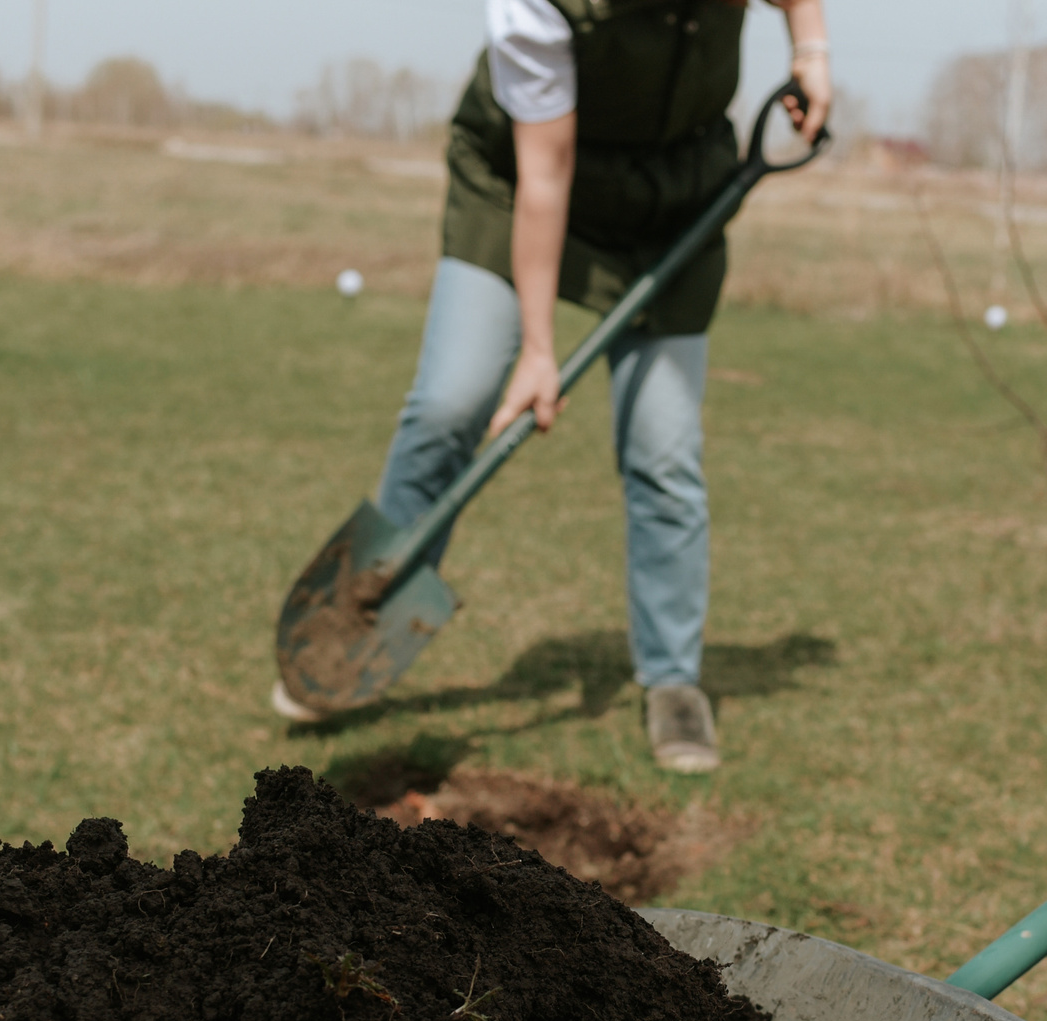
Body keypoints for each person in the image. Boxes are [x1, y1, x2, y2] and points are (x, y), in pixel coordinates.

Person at [276, 0, 831, 772]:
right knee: (452, 400)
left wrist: (811, 51)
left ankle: (672, 681)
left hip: (673, 200)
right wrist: (538, 348)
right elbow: (546, 172)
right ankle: (355, 621)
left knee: (663, 450)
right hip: (518, 183)